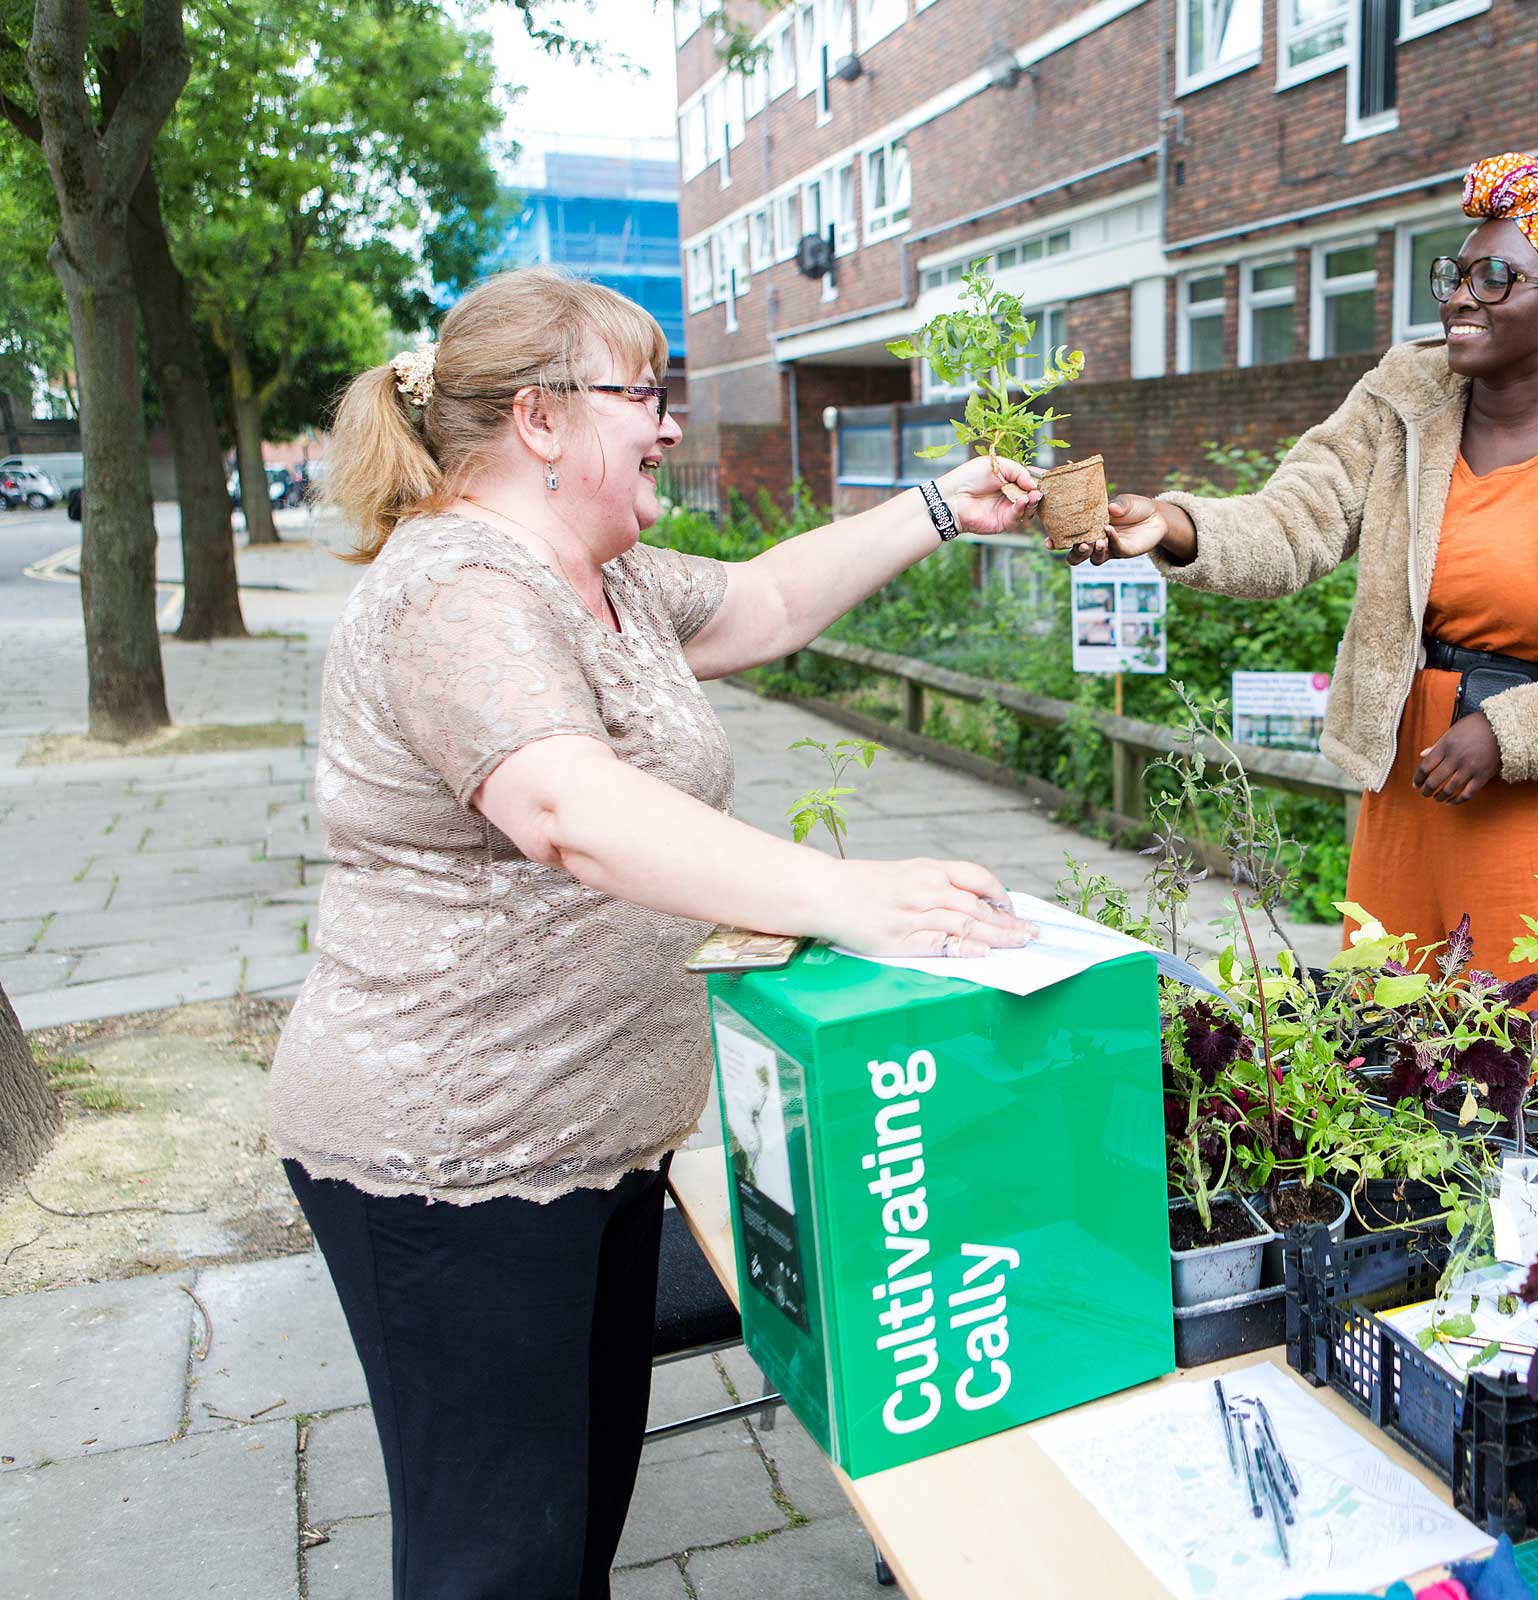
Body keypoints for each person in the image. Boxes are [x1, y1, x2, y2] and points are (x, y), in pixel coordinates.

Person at [271, 266, 1040, 1598]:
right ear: (541, 418)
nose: (670, 424)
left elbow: (767, 601)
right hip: (454, 1158)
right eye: (644, 394)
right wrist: (850, 896)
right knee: (497, 1562)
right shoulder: (457, 588)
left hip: (594, 1139)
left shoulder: (604, 576)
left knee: (569, 1532)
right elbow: (567, 808)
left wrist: (936, 507)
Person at [1070, 152, 1538, 1081]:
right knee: (1384, 1046)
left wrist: (1510, 732)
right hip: (1409, 770)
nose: (1462, 296)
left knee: (1519, 1067)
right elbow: (1296, 520)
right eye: (1456, 274)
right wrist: (1176, 526)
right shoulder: (1398, 406)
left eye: (1495, 278)